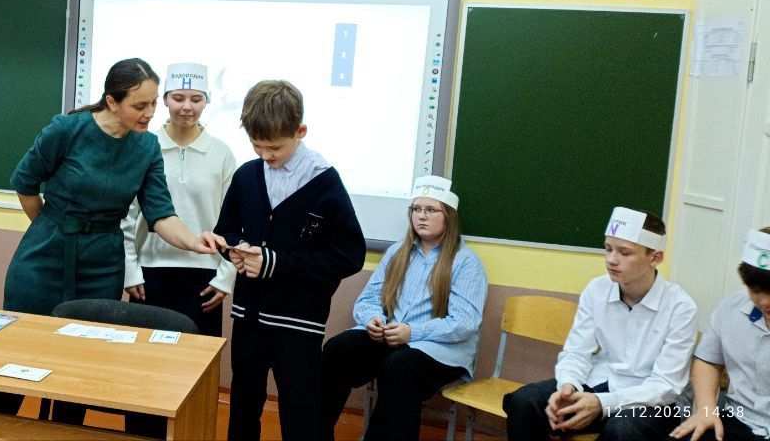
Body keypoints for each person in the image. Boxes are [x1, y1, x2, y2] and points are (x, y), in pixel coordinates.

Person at [201, 80, 367, 441]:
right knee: (243, 404)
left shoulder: (324, 182)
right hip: (248, 315)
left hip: (298, 322)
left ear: (300, 131)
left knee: (299, 409)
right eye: (256, 145)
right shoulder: (247, 175)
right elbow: (226, 230)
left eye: (274, 147)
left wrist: (274, 263)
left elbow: (348, 256)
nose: (266, 155)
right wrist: (234, 250)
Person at [5, 58, 213, 317]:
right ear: (112, 102)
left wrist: (193, 242)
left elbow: (161, 214)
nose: (150, 113)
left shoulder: (148, 147)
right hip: (43, 259)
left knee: (92, 338)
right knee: (28, 336)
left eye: (153, 103)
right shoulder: (66, 130)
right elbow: (25, 184)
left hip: (103, 266)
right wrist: (50, 227)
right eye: (139, 106)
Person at [503, 207, 698, 440]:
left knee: (622, 430)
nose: (611, 260)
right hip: (599, 384)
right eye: (608, 249)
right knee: (524, 402)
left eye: (625, 253)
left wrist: (602, 403)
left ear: (654, 258)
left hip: (654, 403)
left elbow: (665, 386)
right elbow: (576, 352)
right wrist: (568, 385)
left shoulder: (680, 307)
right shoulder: (596, 289)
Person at [318, 175, 487, 441]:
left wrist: (412, 332)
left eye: (431, 210)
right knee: (338, 350)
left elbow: (464, 323)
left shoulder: (466, 262)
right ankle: (315, 433)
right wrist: (374, 319)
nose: (422, 216)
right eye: (416, 209)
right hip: (393, 337)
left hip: (440, 348)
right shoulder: (398, 252)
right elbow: (367, 300)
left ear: (449, 217)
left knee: (399, 368)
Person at [122, 62, 238, 337]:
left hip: (205, 277)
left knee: (197, 359)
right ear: (164, 99)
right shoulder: (143, 147)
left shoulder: (222, 154)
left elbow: (234, 221)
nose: (187, 107)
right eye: (178, 98)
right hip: (149, 273)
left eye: (196, 99)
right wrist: (130, 270)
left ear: (206, 101)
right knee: (144, 356)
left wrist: (225, 277)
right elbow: (127, 216)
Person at [670, 227, 770, 441]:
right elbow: (708, 360)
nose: (764, 302)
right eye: (756, 291)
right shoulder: (732, 307)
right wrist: (706, 410)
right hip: (740, 419)